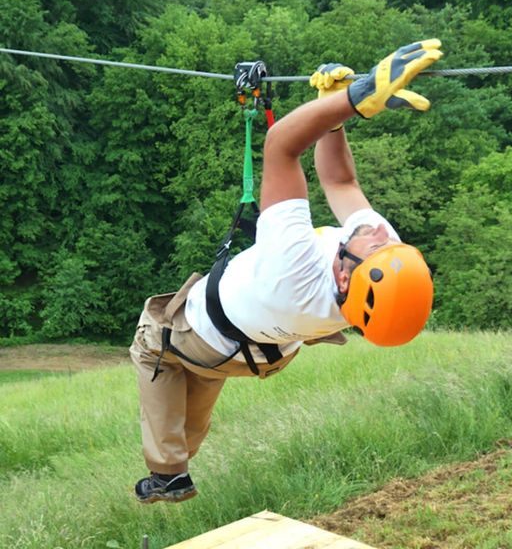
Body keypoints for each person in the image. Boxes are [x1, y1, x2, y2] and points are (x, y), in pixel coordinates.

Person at [129, 40, 442, 504]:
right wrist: (332, 117)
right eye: (389, 246)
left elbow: (281, 147)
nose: (379, 234)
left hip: (205, 334)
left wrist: (355, 99)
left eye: (375, 247)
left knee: (154, 342)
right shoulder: (379, 266)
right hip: (264, 351)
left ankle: (168, 471)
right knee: (206, 373)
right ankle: (176, 467)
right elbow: (340, 182)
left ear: (343, 277)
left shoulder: (293, 269)